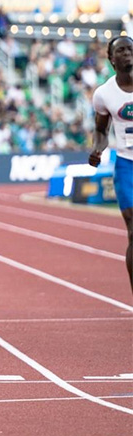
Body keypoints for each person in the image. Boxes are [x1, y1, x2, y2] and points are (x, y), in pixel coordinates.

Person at [89, 35, 133, 298]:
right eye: (122, 51)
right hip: (127, 164)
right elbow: (100, 130)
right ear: (111, 59)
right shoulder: (104, 94)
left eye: (131, 49)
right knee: (132, 229)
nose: (128, 54)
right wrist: (98, 148)